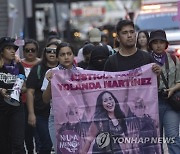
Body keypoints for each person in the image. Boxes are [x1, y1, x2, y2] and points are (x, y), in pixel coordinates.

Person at [41, 42, 82, 153]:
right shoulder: (51, 73)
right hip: (56, 120)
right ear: (58, 57)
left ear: (73, 55)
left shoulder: (82, 73)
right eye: (62, 54)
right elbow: (45, 99)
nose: (66, 57)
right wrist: (51, 82)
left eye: (69, 53)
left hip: (79, 120)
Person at [149, 29, 180, 154]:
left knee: (173, 137)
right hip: (152, 105)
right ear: (150, 44)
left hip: (170, 103)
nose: (158, 45)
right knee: (155, 140)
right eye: (155, 42)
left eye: (161, 42)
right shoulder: (146, 60)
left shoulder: (173, 59)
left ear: (165, 44)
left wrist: (173, 89)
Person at [26, 41, 59, 154]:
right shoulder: (37, 69)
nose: (51, 53)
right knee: (46, 144)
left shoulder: (64, 69)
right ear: (45, 53)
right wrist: (31, 114)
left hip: (61, 113)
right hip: (42, 114)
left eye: (55, 51)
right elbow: (30, 92)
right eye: (48, 51)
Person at [0, 37, 26, 153]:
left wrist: (18, 89)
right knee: (4, 143)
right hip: (1, 107)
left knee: (18, 142)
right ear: (1, 51)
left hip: (16, 107)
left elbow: (25, 87)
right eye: (8, 48)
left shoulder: (18, 66)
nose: (12, 51)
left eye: (14, 49)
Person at [21, 39, 41, 154]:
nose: (30, 52)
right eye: (27, 50)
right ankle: (29, 151)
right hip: (23, 103)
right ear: (23, 51)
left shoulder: (41, 64)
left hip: (39, 103)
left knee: (39, 131)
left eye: (32, 50)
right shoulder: (19, 64)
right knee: (27, 132)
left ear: (37, 51)